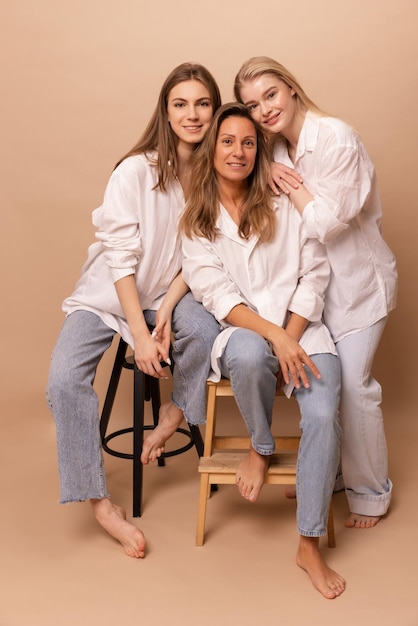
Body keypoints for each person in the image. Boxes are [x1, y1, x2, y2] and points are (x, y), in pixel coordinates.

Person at [46, 63, 222, 558]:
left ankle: (173, 412)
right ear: (165, 113)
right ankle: (101, 505)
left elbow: (203, 255)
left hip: (170, 295)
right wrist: (141, 336)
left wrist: (164, 310)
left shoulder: (216, 176)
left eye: (203, 103)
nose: (193, 115)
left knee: (207, 334)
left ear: (214, 109)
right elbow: (120, 260)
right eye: (181, 104)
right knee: (63, 378)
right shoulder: (135, 171)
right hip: (111, 294)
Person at [180, 102, 345, 599]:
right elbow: (219, 298)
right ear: (212, 150)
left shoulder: (282, 201)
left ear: (259, 150)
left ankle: (309, 543)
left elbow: (314, 273)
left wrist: (292, 334)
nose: (238, 151)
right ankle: (261, 446)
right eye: (227, 141)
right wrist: (277, 338)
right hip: (250, 332)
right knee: (250, 354)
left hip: (306, 329)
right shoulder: (197, 222)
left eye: (248, 142)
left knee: (322, 416)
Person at [234, 57, 397, 530]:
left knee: (356, 390)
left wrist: (295, 188)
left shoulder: (336, 137)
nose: (263, 109)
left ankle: (371, 493)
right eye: (252, 103)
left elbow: (326, 223)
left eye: (270, 94)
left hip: (362, 288)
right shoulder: (278, 153)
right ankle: (333, 473)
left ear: (290, 88)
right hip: (320, 294)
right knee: (331, 387)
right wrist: (265, 172)